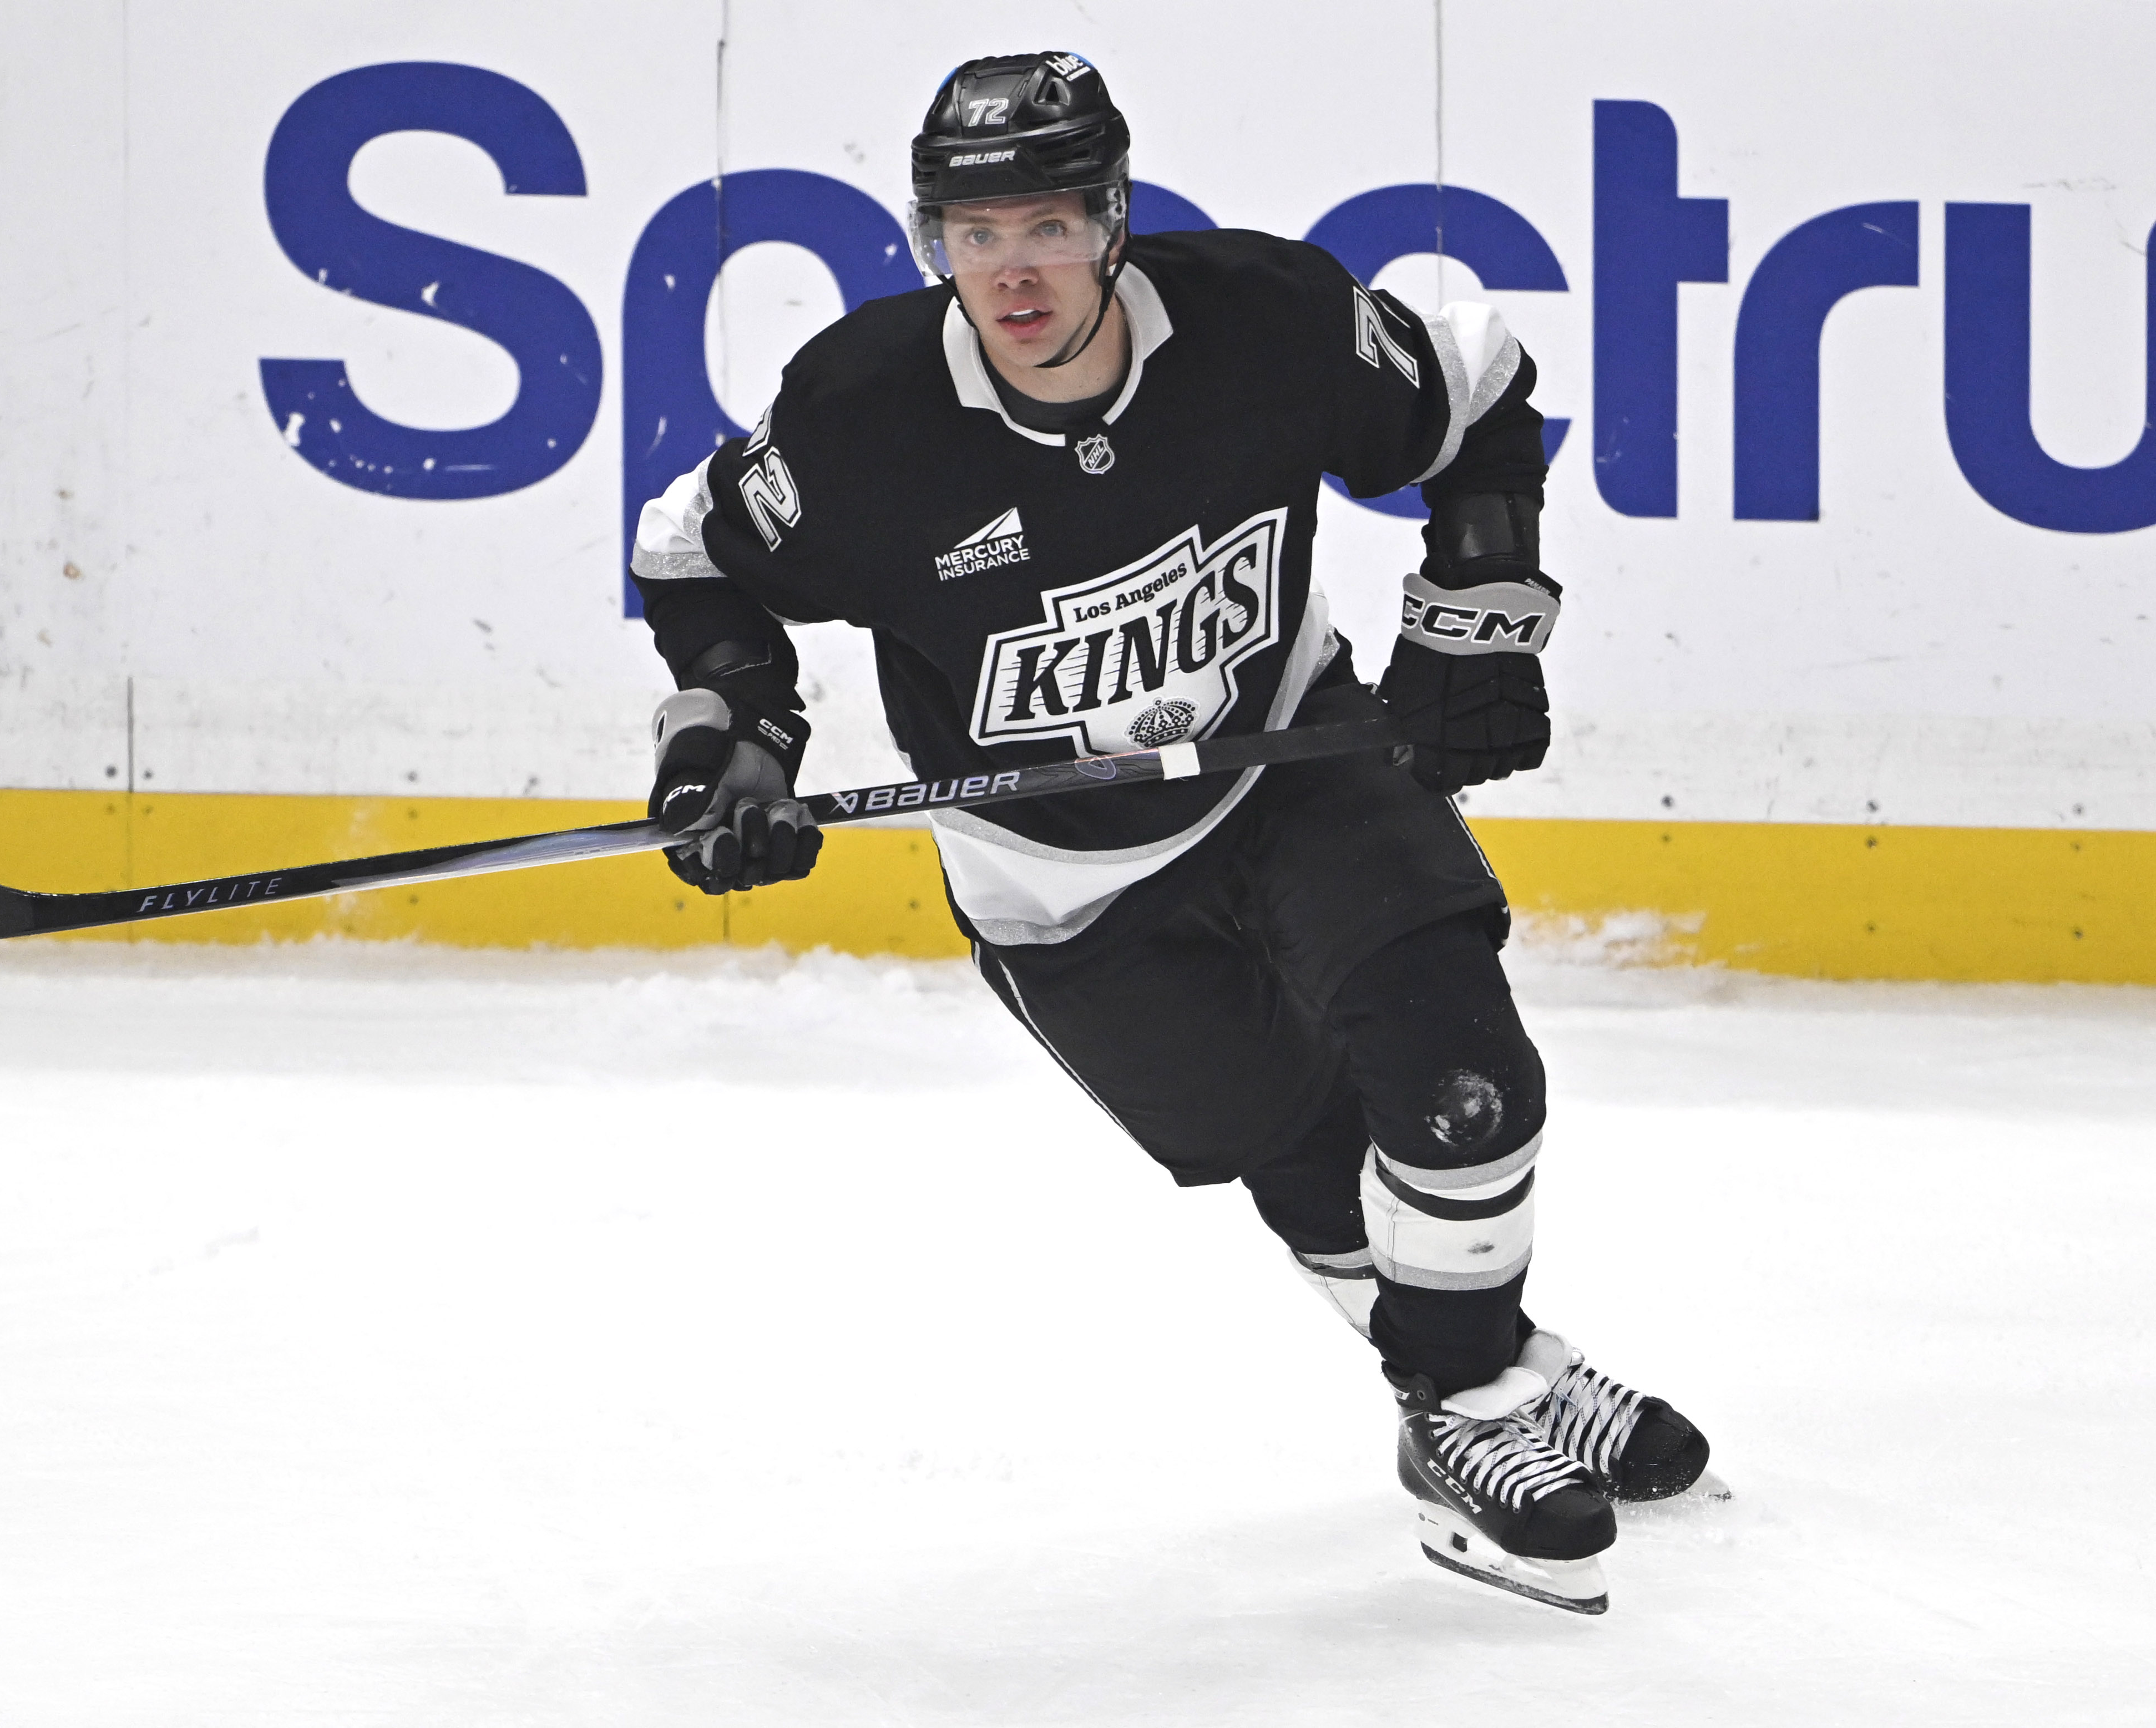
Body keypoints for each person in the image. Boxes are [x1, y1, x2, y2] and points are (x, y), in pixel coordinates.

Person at [627, 50, 1708, 1614]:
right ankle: (1503, 1373)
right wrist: (738, 732)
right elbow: (692, 548)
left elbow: (1471, 383)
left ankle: (1464, 1419)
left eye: (1047, 224)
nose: (1011, 270)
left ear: (1114, 218)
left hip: (1292, 758)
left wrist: (1479, 615)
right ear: (933, 239)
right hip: (1058, 886)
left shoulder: (1262, 321)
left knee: (1459, 1061)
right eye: (973, 232)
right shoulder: (863, 417)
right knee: (1308, 1160)